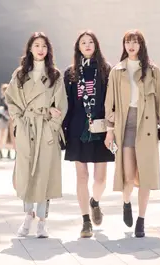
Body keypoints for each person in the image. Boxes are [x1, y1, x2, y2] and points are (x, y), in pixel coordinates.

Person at [104, 30, 160, 238]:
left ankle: (141, 220)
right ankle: (126, 203)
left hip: (148, 126)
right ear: (123, 45)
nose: (131, 46)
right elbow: (109, 103)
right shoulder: (117, 71)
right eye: (127, 42)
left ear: (141, 45)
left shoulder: (152, 70)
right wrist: (109, 131)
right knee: (129, 175)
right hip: (124, 126)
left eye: (135, 42)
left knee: (146, 175)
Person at [5, 32, 68, 238]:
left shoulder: (55, 75)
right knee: (26, 174)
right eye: (36, 45)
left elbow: (61, 105)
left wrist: (52, 124)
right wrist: (19, 121)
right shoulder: (20, 74)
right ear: (30, 49)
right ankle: (27, 216)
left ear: (48, 50)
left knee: (44, 174)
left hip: (46, 131)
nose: (40, 49)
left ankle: (42, 221)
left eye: (44, 46)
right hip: (26, 128)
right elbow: (11, 100)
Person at [62, 31, 114, 238]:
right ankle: (85, 221)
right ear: (78, 48)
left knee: (100, 179)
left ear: (96, 45)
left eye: (90, 41)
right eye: (83, 42)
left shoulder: (106, 70)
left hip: (101, 128)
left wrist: (112, 127)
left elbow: (112, 100)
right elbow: (67, 102)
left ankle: (95, 202)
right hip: (77, 128)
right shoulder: (71, 73)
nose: (87, 45)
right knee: (81, 176)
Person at [0, 83, 14, 160]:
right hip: (3, 119)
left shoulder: (10, 98)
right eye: (3, 90)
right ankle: (0, 152)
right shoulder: (2, 99)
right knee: (2, 135)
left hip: (10, 119)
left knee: (11, 136)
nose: (4, 92)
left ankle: (9, 152)